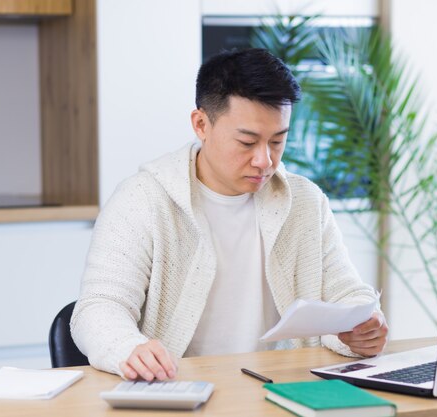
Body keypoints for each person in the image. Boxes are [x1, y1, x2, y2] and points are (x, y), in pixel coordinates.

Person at [71, 48, 388, 381]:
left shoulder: (305, 201)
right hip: (177, 389)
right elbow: (98, 307)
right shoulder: (143, 199)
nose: (264, 160)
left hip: (284, 387)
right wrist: (127, 347)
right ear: (201, 124)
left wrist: (360, 330)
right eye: (247, 142)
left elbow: (347, 294)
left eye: (277, 141)